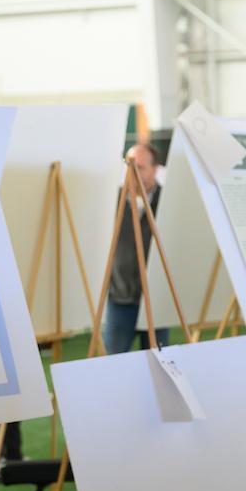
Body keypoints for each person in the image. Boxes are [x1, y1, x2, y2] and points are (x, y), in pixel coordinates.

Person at [102, 143, 168, 353]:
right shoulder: (113, 200)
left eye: (139, 167)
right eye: (129, 166)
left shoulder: (168, 201)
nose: (133, 173)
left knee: (160, 366)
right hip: (119, 297)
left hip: (156, 300)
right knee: (113, 363)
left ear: (155, 168)